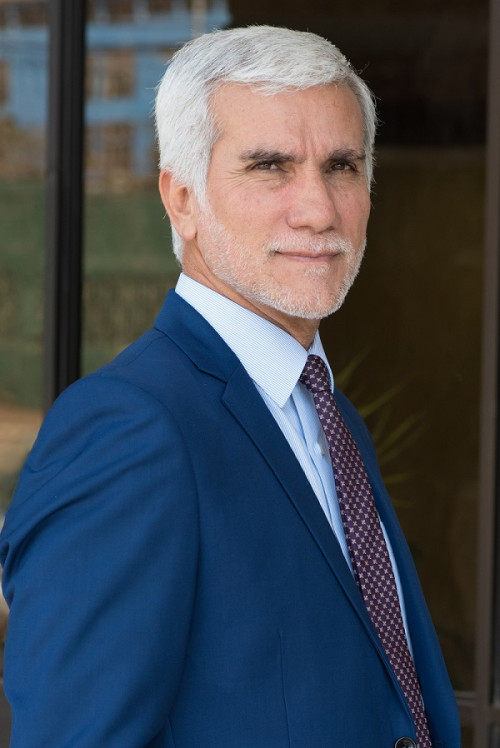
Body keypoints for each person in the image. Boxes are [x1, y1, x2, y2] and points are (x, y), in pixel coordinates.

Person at [0, 26, 460, 748]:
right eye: (271, 166)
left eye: (342, 166)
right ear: (181, 199)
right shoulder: (129, 430)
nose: (319, 209)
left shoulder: (330, 416)